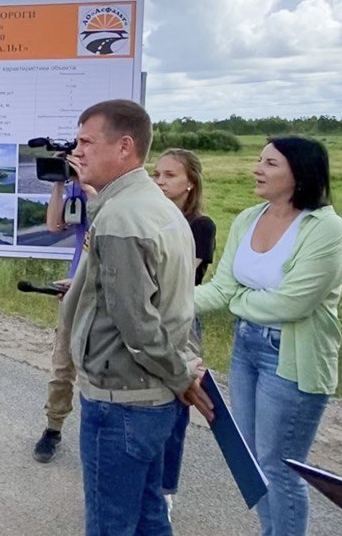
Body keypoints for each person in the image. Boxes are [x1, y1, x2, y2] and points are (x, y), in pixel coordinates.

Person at [66, 99, 212, 535]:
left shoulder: (122, 216)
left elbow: (137, 325)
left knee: (111, 524)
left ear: (125, 146)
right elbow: (169, 303)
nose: (77, 151)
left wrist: (180, 376)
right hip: (151, 402)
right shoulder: (157, 207)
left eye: (87, 141)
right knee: (149, 516)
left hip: (121, 402)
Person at [194, 137, 342, 536]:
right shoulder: (249, 217)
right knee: (251, 460)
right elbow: (221, 288)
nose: (256, 169)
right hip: (246, 347)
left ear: (299, 173)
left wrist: (237, 301)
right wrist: (159, 302)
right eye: (259, 160)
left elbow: (293, 304)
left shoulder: (326, 228)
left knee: (278, 466)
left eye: (270, 163)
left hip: (291, 355)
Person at [152, 149, 217, 512]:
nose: (160, 182)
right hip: (149, 315)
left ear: (190, 183)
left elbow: (174, 278)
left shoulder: (199, 226)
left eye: (170, 176)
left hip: (180, 320)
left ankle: (165, 492)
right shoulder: (150, 218)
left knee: (178, 399)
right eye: (156, 174)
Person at [33, 163, 94, 464]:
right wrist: (59, 183)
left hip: (102, 293)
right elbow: (54, 226)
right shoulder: (74, 190)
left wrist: (86, 180)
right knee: (62, 367)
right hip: (74, 285)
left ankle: (99, 434)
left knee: (97, 372)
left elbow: (103, 217)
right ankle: (53, 428)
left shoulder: (110, 189)